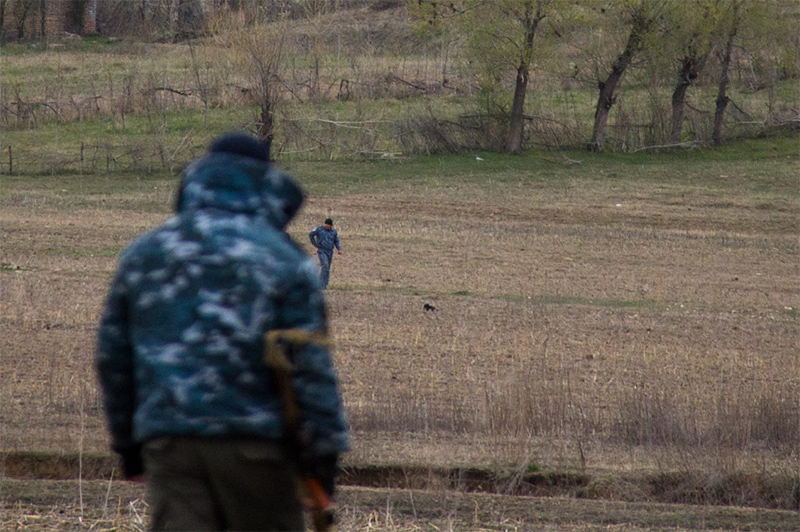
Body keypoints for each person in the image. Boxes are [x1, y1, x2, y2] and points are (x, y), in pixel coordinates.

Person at [95, 132, 349, 532]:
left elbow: (112, 356)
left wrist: (130, 447)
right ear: (265, 183)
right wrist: (324, 466)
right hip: (257, 447)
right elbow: (310, 369)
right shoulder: (283, 259)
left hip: (170, 444)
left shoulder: (144, 254)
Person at [308, 218, 342, 289]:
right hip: (322, 250)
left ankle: (324, 285)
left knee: (327, 269)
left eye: (328, 225)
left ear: (331, 226)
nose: (326, 226)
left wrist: (339, 249)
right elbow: (311, 234)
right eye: (325, 224)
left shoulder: (334, 232)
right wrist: (314, 243)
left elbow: (336, 241)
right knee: (325, 266)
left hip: (330, 251)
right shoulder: (319, 229)